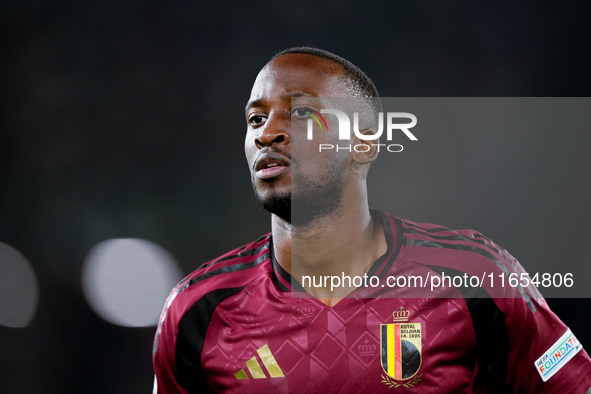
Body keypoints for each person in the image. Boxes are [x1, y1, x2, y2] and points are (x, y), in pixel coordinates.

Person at [152, 47, 591, 393]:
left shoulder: (474, 274)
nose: (268, 132)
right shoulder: (197, 311)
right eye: (256, 118)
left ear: (363, 145)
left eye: (301, 112)